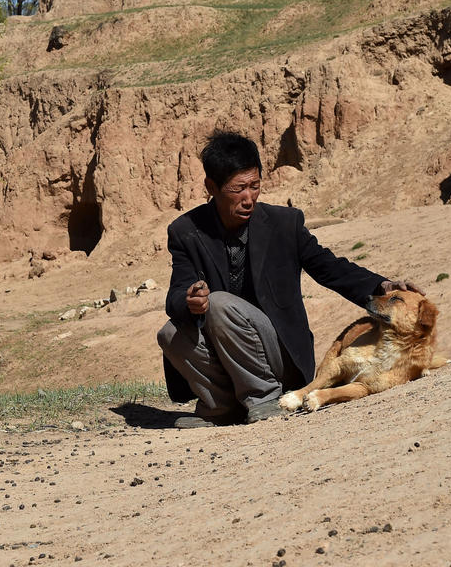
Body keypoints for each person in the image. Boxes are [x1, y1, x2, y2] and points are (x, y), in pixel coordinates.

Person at [157, 131, 420, 428]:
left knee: (218, 304)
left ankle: (266, 398)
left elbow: (329, 267)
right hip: (227, 359)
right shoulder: (186, 232)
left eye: (254, 186)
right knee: (170, 334)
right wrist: (189, 300)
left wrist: (380, 286)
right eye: (238, 189)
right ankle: (222, 407)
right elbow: (177, 292)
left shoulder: (284, 224)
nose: (248, 198)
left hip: (277, 356)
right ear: (212, 187)